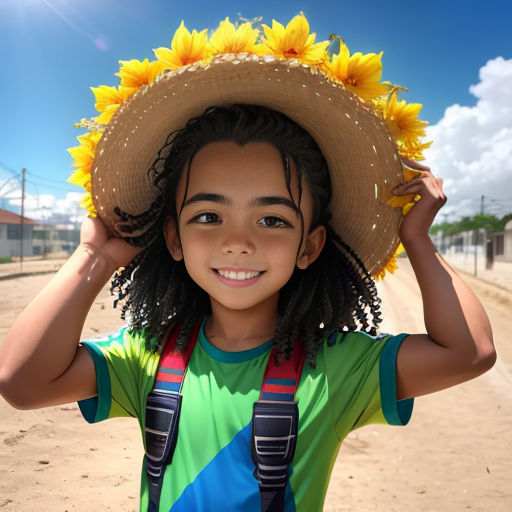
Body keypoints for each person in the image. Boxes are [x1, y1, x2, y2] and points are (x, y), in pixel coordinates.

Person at [0, 13, 495, 512]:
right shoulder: (146, 353)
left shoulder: (339, 366)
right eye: (209, 215)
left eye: (273, 220)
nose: (237, 242)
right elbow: (21, 383)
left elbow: (469, 352)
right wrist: (94, 257)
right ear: (174, 237)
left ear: (310, 246)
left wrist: (417, 239)